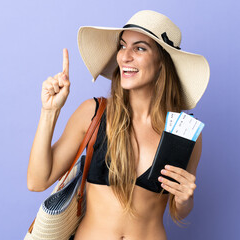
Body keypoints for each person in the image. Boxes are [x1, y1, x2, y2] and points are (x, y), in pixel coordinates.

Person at [27, 10, 210, 240]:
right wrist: (49, 111)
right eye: (122, 46)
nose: (124, 56)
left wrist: (186, 199)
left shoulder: (183, 131)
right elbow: (37, 181)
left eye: (139, 48)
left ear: (163, 62)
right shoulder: (94, 113)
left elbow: (178, 211)